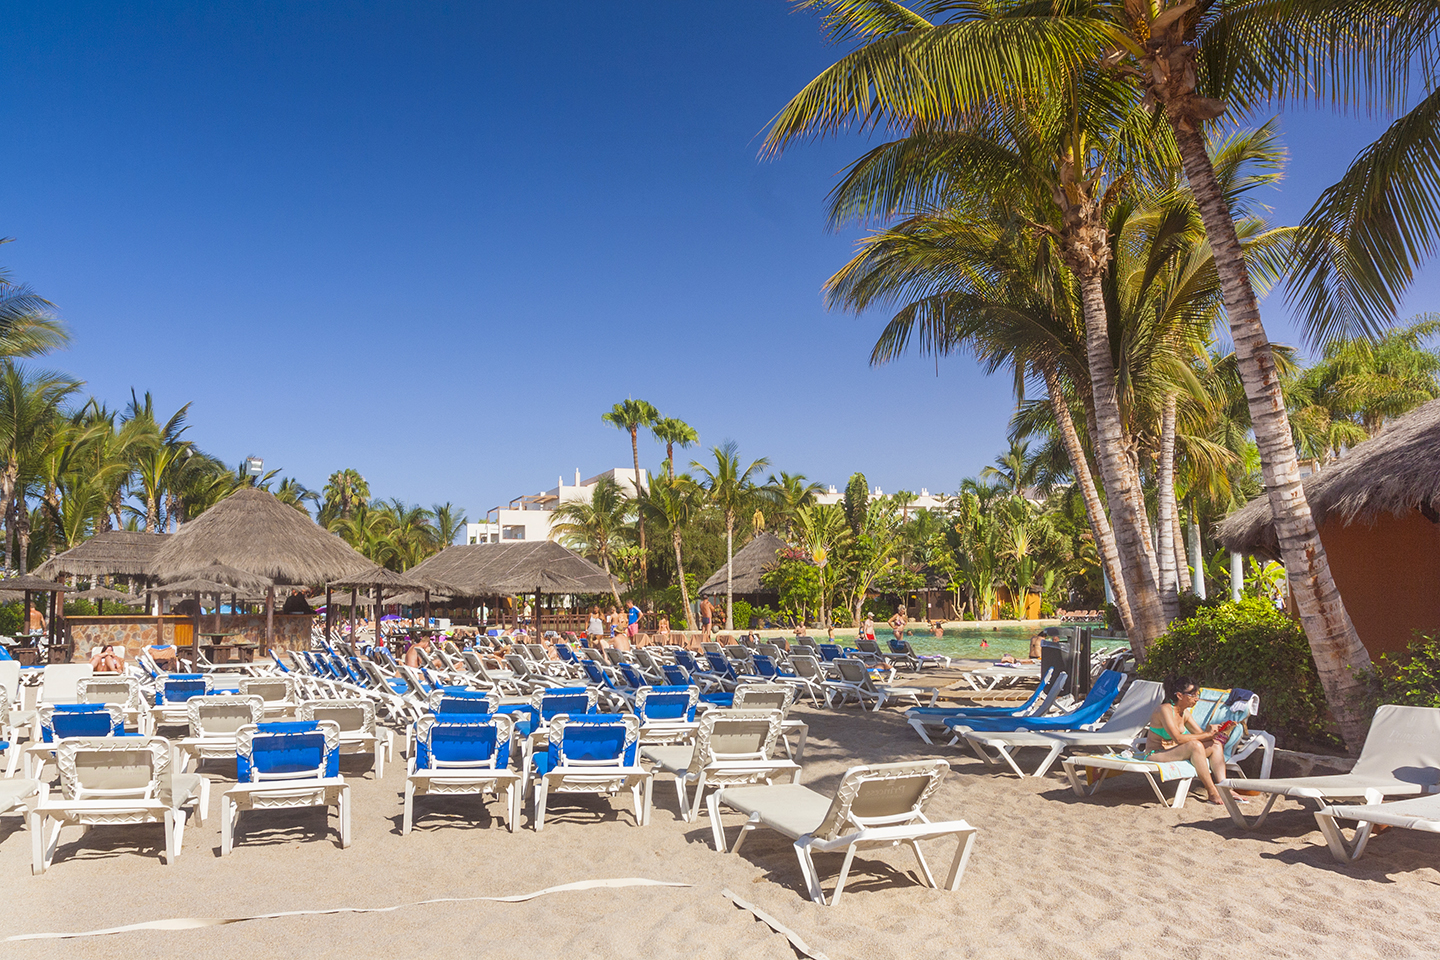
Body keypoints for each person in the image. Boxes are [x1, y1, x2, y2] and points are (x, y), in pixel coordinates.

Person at [1141, 676, 1228, 805]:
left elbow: (1202, 735)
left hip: (1175, 752)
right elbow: (1179, 738)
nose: (1197, 698)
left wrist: (1218, 731)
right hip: (1155, 754)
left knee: (1215, 745)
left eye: (1197, 694)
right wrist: (1206, 734)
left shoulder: (1185, 713)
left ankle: (1225, 788)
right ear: (1180, 695)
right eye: (1193, 694)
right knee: (1195, 746)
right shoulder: (1164, 710)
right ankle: (1212, 791)